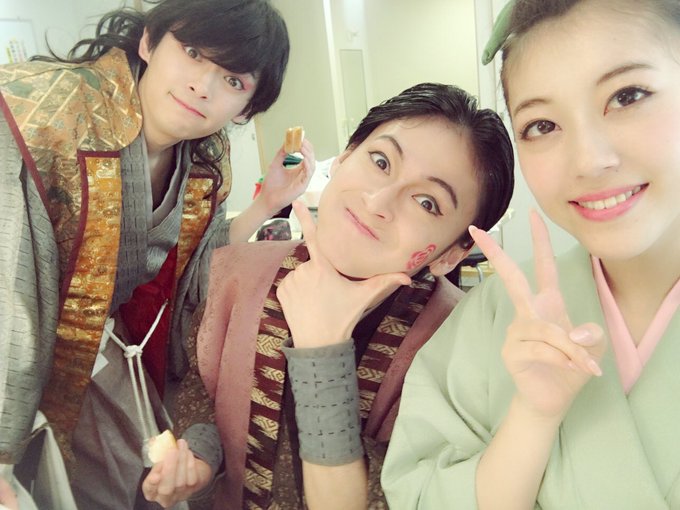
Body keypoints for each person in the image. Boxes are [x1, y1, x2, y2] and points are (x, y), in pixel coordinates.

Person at [0, 1, 315, 508]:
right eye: (192, 52)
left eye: (232, 80)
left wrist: (267, 202)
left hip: (95, 344)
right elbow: (9, 288)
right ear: (149, 41)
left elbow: (197, 271)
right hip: (18, 349)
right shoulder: (41, 113)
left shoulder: (207, 157)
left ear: (247, 108)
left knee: (133, 477)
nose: (202, 86)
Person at [154, 82, 515, 509]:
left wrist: (322, 359)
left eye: (427, 202)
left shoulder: (457, 345)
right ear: (343, 159)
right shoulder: (236, 274)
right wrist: (200, 455)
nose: (378, 201)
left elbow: (406, 494)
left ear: (452, 253)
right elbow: (204, 389)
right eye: (381, 162)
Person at [382, 0, 680, 509]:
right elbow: (419, 494)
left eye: (627, 96)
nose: (589, 160)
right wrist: (533, 417)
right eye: (541, 125)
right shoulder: (490, 316)